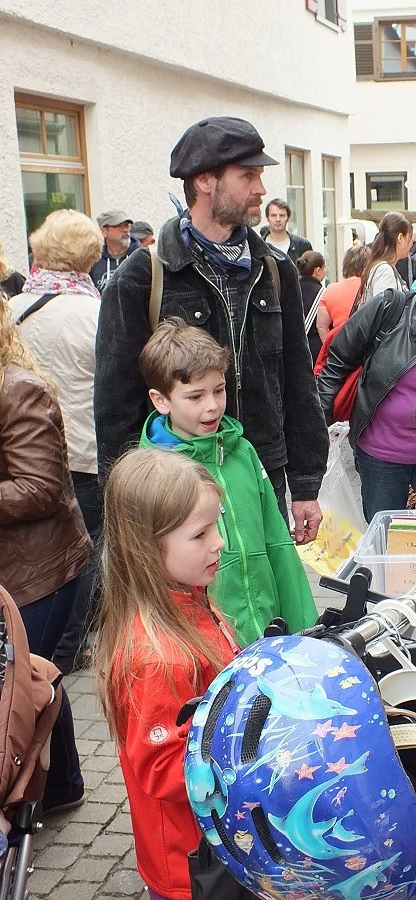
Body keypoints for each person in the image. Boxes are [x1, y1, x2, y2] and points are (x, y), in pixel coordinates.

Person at [94, 116, 328, 545]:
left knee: (264, 607)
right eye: (248, 175)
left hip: (261, 479)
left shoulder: (275, 272)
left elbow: (297, 379)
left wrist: (307, 484)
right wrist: (127, 512)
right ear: (204, 181)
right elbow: (116, 407)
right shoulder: (141, 278)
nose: (261, 188)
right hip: (178, 488)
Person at [95, 447, 241, 900]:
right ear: (145, 548)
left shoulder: (193, 600)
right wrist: (247, 760)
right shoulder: (155, 656)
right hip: (186, 862)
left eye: (214, 527)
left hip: (213, 844)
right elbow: (161, 766)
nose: (217, 543)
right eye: (199, 535)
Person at [138, 318, 316, 644]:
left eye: (219, 390)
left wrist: (304, 625)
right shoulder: (154, 474)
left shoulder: (243, 452)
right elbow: (143, 572)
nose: (212, 406)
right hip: (201, 643)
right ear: (161, 400)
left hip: (265, 629)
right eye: (194, 397)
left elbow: (277, 542)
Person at [0, 292, 90, 810]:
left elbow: (40, 487)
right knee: (38, 676)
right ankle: (62, 787)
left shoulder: (18, 390)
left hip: (40, 570)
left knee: (24, 678)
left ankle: (40, 791)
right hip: (16, 567)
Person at [8, 209, 104, 675]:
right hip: (83, 447)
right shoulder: (94, 311)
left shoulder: (15, 306)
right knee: (81, 551)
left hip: (25, 453)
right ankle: (69, 647)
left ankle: (53, 651)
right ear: (89, 255)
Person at [318, 256, 416, 520]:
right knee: (383, 542)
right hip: (380, 455)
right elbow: (338, 358)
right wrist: (317, 426)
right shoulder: (392, 307)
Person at [316, 243, 368, 343]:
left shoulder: (331, 289)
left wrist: (331, 347)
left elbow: (321, 326)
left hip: (341, 345)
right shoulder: (370, 287)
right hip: (366, 345)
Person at [360, 212, 412, 302]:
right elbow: (384, 312)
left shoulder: (382, 267)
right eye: (410, 238)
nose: (411, 243)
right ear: (400, 238)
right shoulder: (385, 271)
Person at [90, 210, 138, 290]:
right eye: (119, 226)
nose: (125, 230)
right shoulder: (93, 259)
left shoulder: (140, 257)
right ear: (104, 231)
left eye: (127, 225)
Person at [296, 250, 327, 363]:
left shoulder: (292, 290)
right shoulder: (323, 294)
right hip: (315, 351)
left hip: (294, 349)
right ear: (317, 270)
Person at [260, 198, 313, 263]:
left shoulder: (302, 245)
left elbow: (311, 271)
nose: (278, 219)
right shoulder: (259, 246)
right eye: (273, 215)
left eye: (282, 215)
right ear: (267, 218)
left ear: (288, 218)